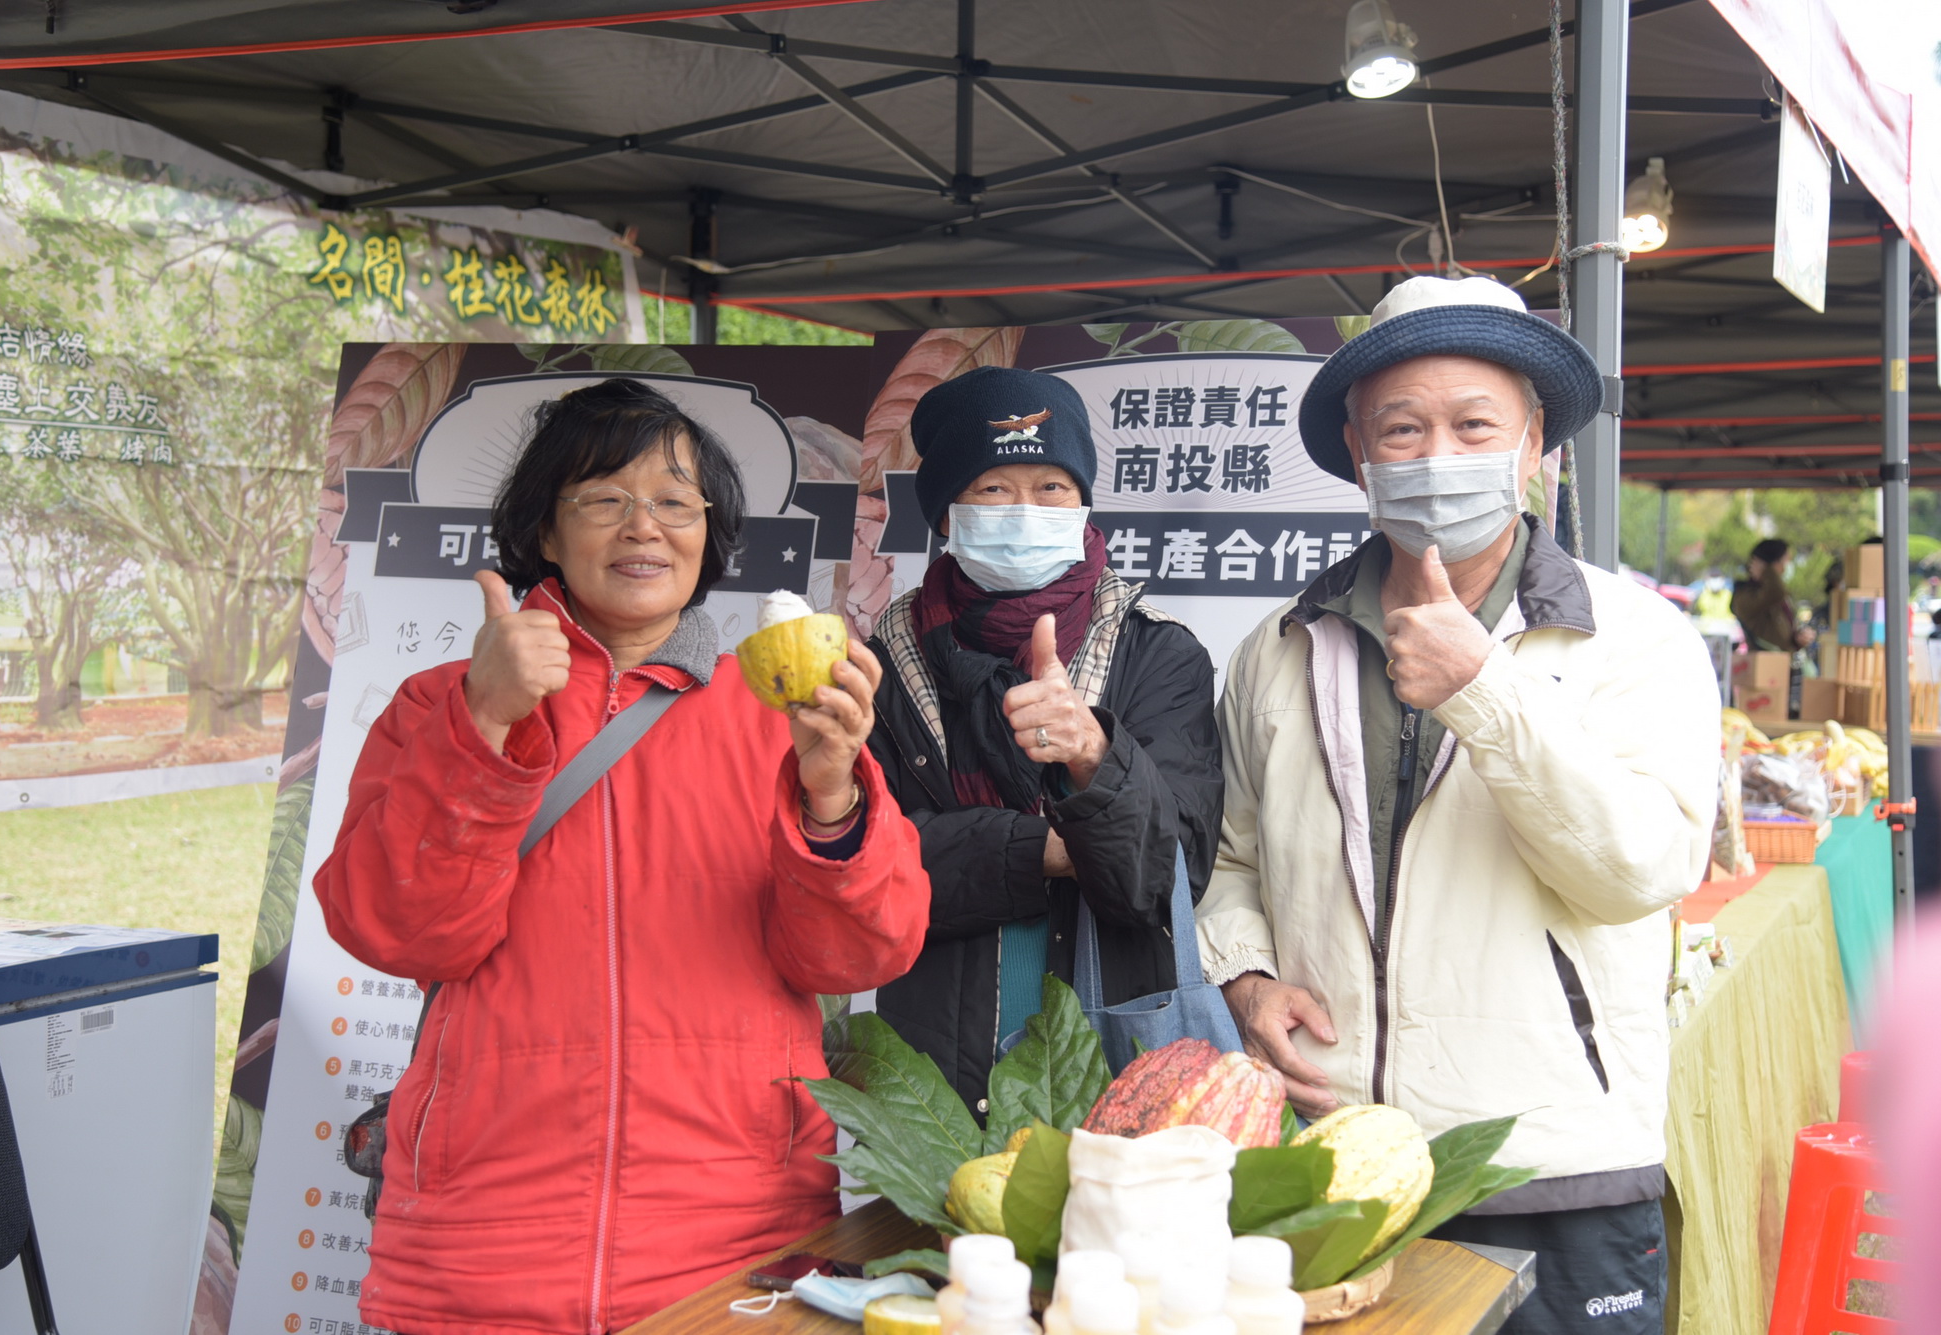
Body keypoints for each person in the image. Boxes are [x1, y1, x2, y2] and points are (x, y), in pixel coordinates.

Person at [313, 379, 930, 1333]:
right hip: (486, 1238)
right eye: (604, 497)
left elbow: (859, 954)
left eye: (676, 502)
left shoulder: (781, 713)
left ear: (708, 533)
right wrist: (483, 723)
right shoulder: (439, 704)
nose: (644, 527)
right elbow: (397, 929)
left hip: (733, 1229)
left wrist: (831, 796)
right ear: (546, 531)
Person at [1195, 277, 1718, 1333]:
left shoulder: (1632, 640)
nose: (1437, 455)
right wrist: (1246, 979)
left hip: (1552, 1163)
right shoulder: (1279, 647)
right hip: (1336, 1160)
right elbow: (1232, 860)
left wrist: (1485, 690)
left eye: (1473, 425)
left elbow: (1644, 868)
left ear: (1532, 449)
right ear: (1357, 451)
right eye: (1402, 427)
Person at [864, 365, 1225, 1109]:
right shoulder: (882, 666)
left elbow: (1166, 877)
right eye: (994, 487)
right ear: (945, 514)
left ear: (1083, 502)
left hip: (1116, 1073)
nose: (1025, 509)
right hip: (938, 1085)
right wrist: (1049, 849)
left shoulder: (1158, 654)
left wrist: (1095, 753)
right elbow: (879, 863)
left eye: (1051, 488)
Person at [1731, 537, 1816, 651]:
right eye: (1785, 561)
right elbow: (1776, 592)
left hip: (1780, 662)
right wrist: (1767, 570)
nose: (1786, 567)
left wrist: (1797, 639)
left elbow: (1779, 635)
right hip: (1763, 663)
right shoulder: (1747, 595)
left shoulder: (1774, 596)